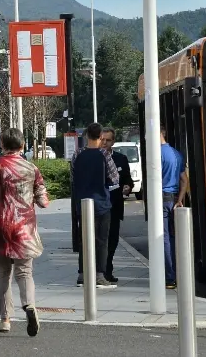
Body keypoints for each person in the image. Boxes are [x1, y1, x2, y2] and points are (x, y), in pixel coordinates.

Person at [0, 128, 49, 336]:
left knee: (2, 274)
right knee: (25, 272)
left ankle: (5, 319)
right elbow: (43, 199)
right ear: (21, 146)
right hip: (24, 228)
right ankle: (29, 306)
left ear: (2, 145)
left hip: (0, 226)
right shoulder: (31, 168)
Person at [71, 123, 118, 288]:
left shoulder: (77, 154)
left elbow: (73, 177)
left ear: (86, 136)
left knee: (84, 239)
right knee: (101, 240)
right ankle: (99, 274)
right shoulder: (104, 154)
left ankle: (82, 274)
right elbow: (114, 178)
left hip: (83, 204)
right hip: (101, 204)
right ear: (100, 137)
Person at [100, 127, 133, 283]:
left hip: (115, 205)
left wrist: (128, 187)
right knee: (101, 239)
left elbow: (127, 179)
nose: (104, 143)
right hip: (99, 206)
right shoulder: (95, 158)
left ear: (113, 142)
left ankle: (108, 269)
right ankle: (102, 271)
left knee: (113, 239)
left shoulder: (121, 159)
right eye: (102, 139)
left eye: (108, 140)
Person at [160, 125, 188, 289]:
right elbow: (184, 179)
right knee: (172, 237)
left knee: (163, 238)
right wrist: (180, 199)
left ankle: (169, 277)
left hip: (161, 198)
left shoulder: (156, 154)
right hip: (173, 199)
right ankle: (180, 273)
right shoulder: (177, 154)